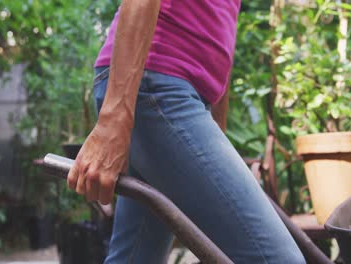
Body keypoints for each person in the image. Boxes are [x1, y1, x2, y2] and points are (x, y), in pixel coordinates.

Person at [66, 0, 306, 263]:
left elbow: (221, 26)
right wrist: (114, 119)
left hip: (167, 91)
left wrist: (217, 134)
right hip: (156, 85)